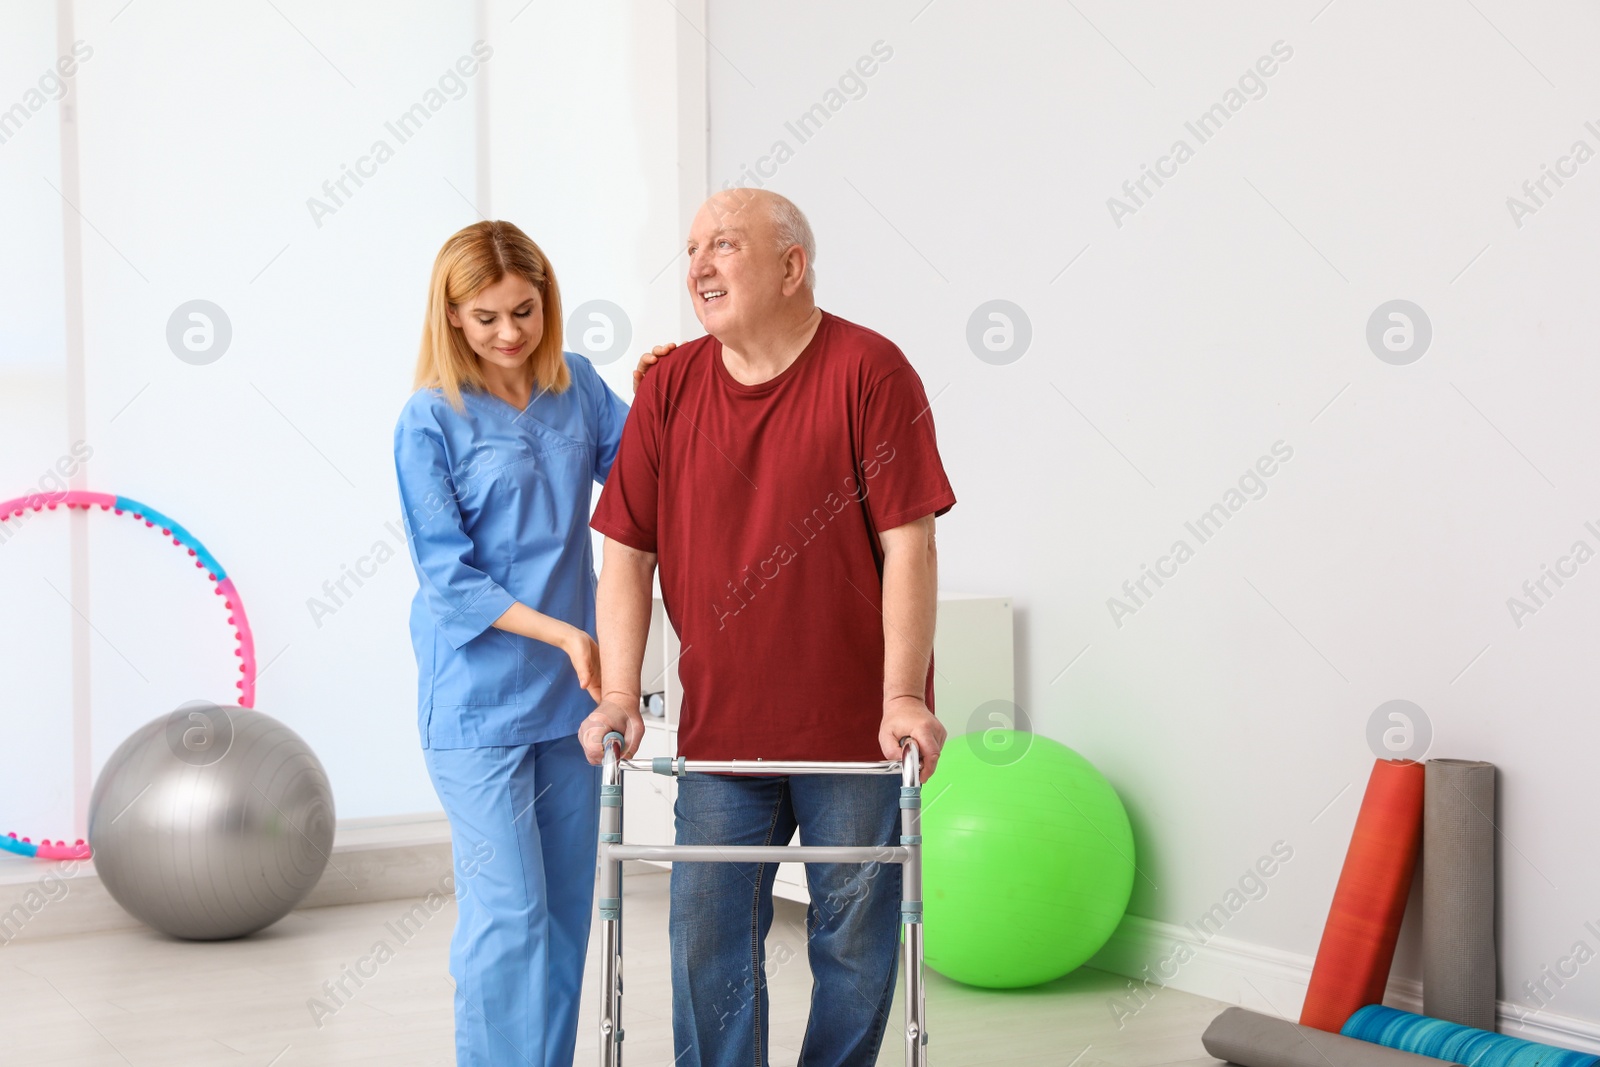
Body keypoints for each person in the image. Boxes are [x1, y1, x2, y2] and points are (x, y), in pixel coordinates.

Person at [580, 189, 956, 1067]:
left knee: (855, 951)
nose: (700, 266)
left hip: (855, 738)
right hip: (724, 736)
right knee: (708, 947)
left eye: (725, 245)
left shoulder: (871, 371)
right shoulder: (670, 388)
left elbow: (912, 544)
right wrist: (620, 693)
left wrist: (903, 694)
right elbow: (625, 555)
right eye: (692, 249)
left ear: (792, 266)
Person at [394, 220, 630, 1067]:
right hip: (477, 698)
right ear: (452, 315)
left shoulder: (582, 389)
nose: (509, 334)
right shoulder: (428, 420)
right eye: (486, 317)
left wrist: (676, 382)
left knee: (566, 912)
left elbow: (650, 477)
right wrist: (566, 628)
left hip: (571, 699)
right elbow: (447, 577)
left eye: (524, 311)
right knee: (509, 913)